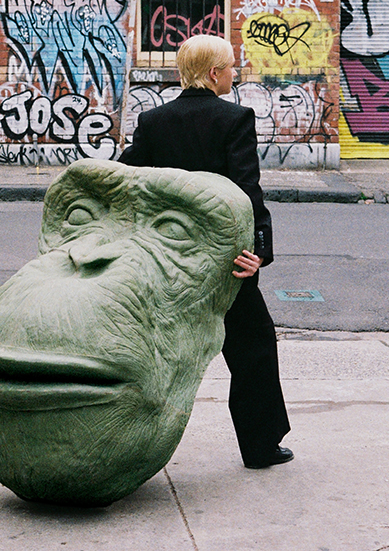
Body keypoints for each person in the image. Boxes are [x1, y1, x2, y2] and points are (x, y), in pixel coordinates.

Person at [118, 34, 293, 469]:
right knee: (253, 349)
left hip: (167, 259)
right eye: (231, 67)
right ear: (214, 74)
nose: (235, 73)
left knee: (152, 352)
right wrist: (259, 253)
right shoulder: (235, 118)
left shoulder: (154, 121)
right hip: (223, 262)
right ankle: (260, 446)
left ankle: (127, 444)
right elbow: (247, 193)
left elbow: (127, 178)